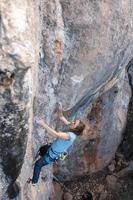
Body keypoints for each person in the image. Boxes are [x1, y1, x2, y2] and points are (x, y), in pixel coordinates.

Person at [31, 110, 85, 185]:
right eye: (74, 121)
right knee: (43, 149)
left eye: (74, 123)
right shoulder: (73, 130)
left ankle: (34, 181)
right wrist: (60, 110)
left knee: (38, 164)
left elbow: (56, 134)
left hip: (51, 155)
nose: (72, 122)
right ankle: (40, 154)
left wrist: (42, 124)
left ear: (75, 128)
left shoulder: (70, 136)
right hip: (52, 148)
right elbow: (63, 119)